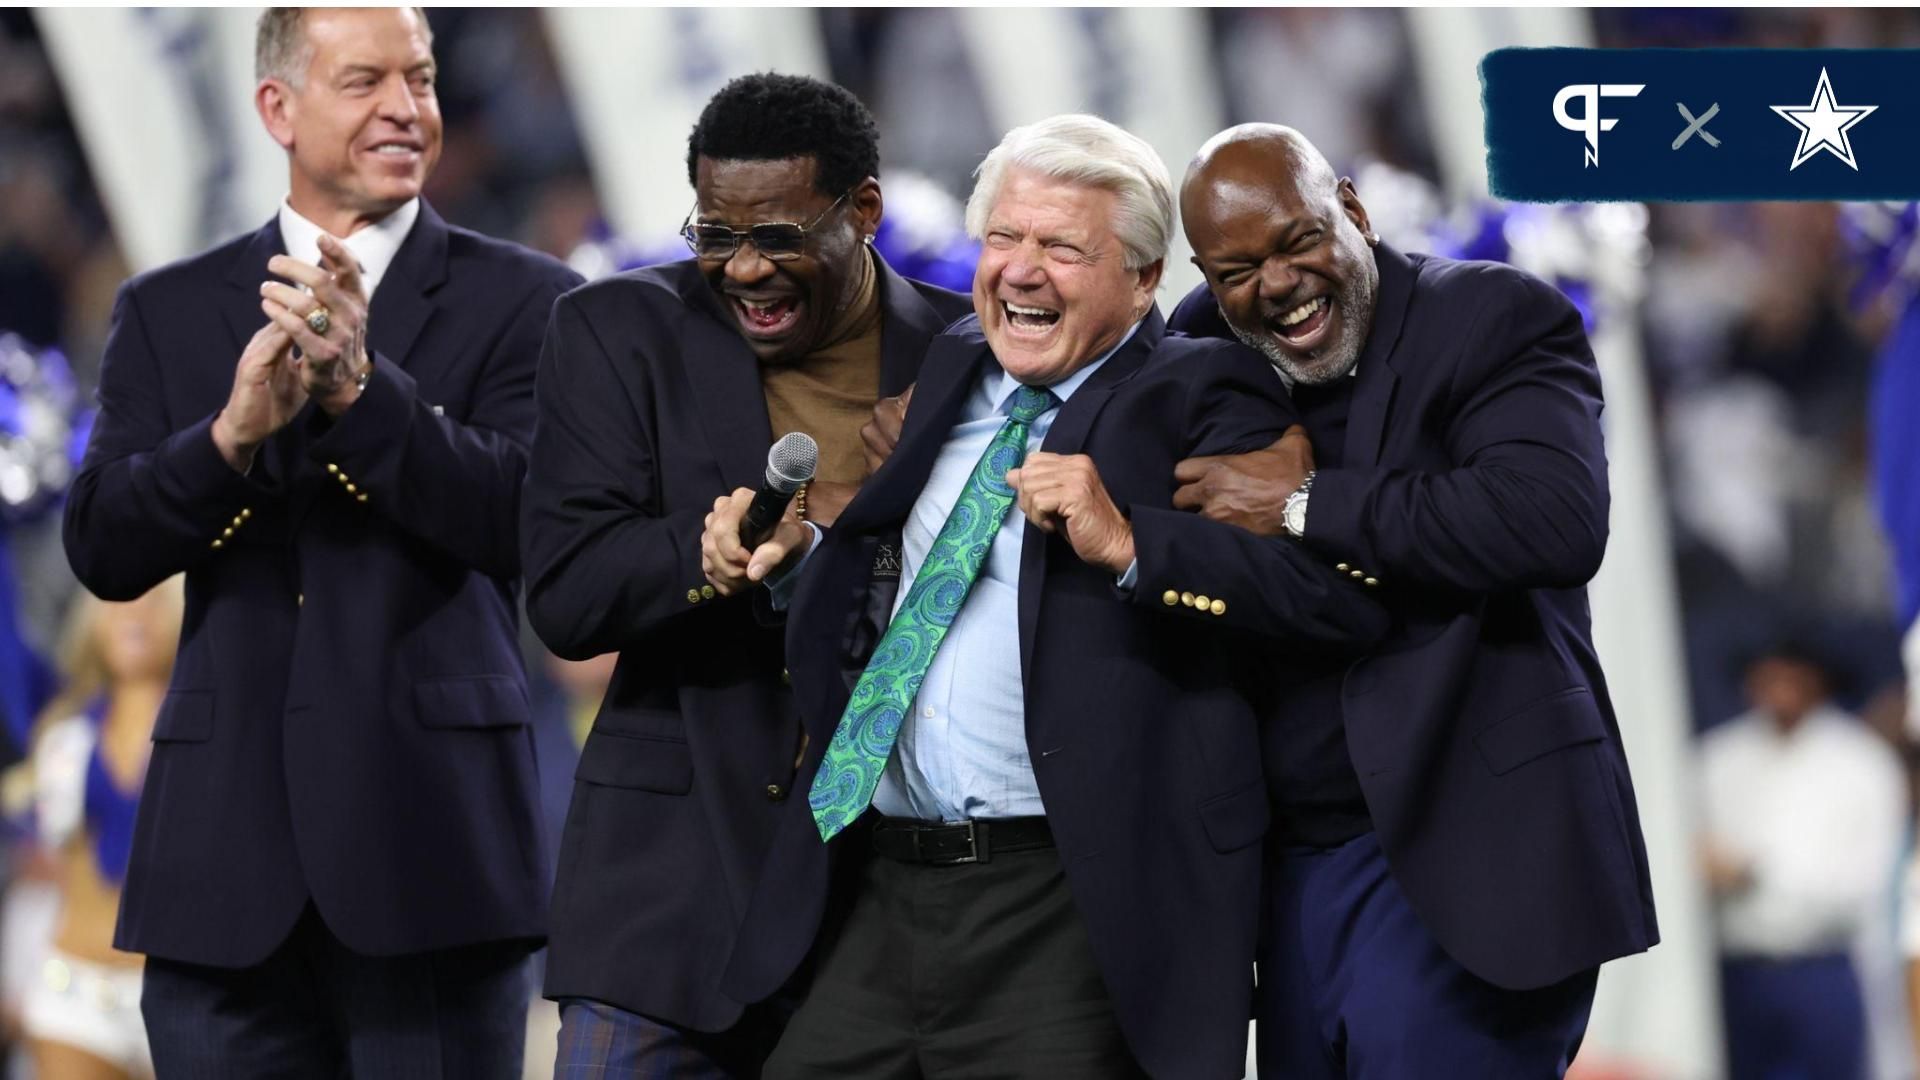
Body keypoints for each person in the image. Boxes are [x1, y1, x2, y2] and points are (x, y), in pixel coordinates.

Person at [704, 113, 1388, 1080]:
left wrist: (1133, 543)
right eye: (1004, 238)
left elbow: (1319, 601)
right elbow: (904, 585)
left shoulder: (1203, 390)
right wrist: (799, 555)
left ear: (1146, 278)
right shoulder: (950, 366)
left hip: (1069, 903)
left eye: (1063, 247)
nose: (1021, 271)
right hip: (878, 881)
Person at [60, 8, 581, 1075]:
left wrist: (360, 393)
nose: (406, 107)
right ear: (277, 109)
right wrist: (227, 440)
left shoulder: (532, 300)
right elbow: (103, 546)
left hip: (433, 860)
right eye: (366, 81)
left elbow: (530, 518)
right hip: (219, 876)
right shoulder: (171, 308)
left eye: (422, 79)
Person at [1165, 123, 1658, 1077]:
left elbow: (1554, 520)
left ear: (1350, 208)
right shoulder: (1199, 344)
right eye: (1236, 270)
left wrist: (1306, 505)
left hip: (1466, 855)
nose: (1276, 285)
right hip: (1289, 872)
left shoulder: (1491, 316)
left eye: (1296, 241)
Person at [520, 73, 972, 1077]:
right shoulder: (614, 332)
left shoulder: (964, 358)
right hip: (663, 905)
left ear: (864, 210)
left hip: (885, 912)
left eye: (779, 237)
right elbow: (565, 592)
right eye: (716, 235)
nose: (745, 269)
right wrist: (702, 555)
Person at [1699, 643, 1907, 1080]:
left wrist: (1756, 874)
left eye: (1791, 677)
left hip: (1821, 971)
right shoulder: (1713, 761)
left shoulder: (1862, 765)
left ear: (1818, 681)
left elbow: (1865, 884)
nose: (1779, 690)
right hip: (1737, 971)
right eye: (1768, 676)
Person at [20, 577, 183, 1080]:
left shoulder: (210, 735)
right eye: (117, 603)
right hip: (76, 994)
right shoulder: (64, 737)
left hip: (182, 995)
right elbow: (59, 863)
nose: (135, 615)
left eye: (153, 602)